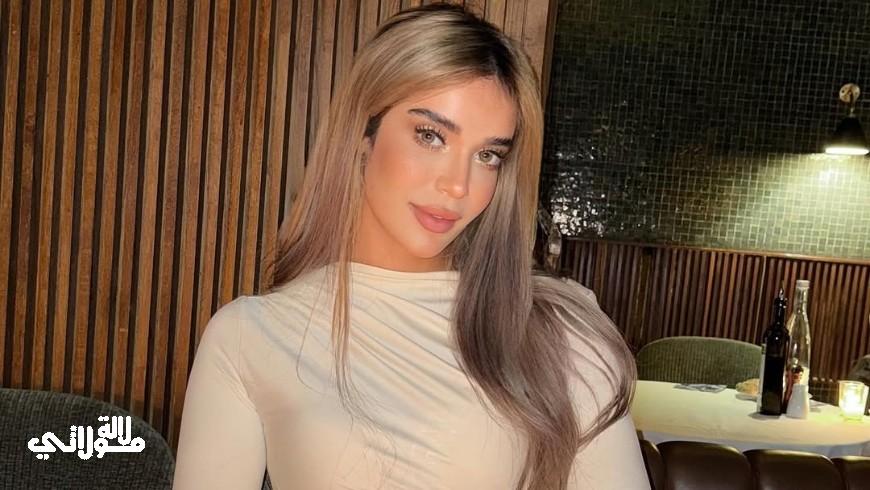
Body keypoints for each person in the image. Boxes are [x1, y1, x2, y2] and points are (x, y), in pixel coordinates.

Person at [172, 4, 649, 489]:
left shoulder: (558, 330)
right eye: (431, 136)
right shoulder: (250, 337)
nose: (458, 185)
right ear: (363, 134)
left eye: (488, 155)